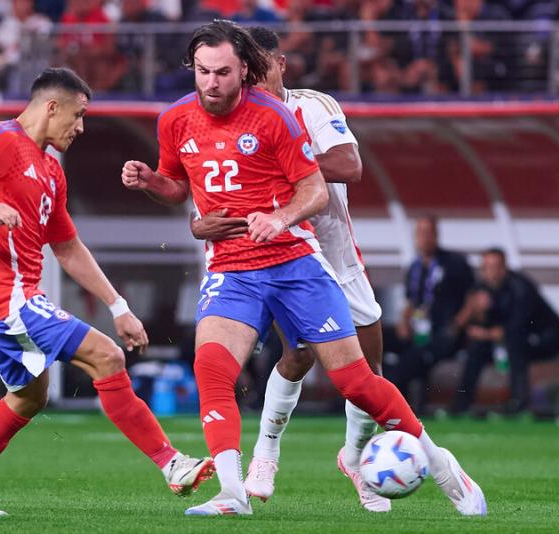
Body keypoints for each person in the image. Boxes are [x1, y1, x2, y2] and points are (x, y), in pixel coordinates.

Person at [122, 20, 485, 517]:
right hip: (233, 268)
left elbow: (315, 188)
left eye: (223, 72)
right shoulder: (176, 119)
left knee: (357, 381)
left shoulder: (277, 116)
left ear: (243, 70)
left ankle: (445, 469)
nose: (212, 83)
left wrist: (280, 216)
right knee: (211, 368)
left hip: (296, 262)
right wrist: (149, 181)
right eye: (203, 72)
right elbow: (175, 184)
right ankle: (233, 492)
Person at [0, 67, 214, 516]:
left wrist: (119, 306)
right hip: (3, 295)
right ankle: (172, 464)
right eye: (79, 114)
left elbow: (69, 248)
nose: (82, 126)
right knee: (107, 357)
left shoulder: (51, 171)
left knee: (29, 397)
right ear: (52, 107)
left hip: (16, 295)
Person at [188, 26, 386, 512]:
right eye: (248, 69)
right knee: (297, 356)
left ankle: (355, 458)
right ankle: (266, 452)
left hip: (339, 257)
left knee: (369, 370)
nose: (256, 76)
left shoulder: (312, 106)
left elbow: (349, 163)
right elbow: (208, 197)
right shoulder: (238, 118)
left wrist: (283, 168)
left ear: (281, 64)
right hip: (285, 259)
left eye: (263, 65)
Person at [450, 248, 559, 415]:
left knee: (515, 345)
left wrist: (485, 334)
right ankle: (461, 404)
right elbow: (461, 326)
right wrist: (473, 309)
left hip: (546, 338)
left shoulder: (520, 287)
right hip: (504, 342)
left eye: (496, 266)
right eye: (487, 267)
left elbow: (514, 329)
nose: (492, 272)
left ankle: (518, 403)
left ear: (505, 267)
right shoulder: (480, 288)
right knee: (477, 348)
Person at [383, 215, 474, 413]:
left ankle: (402, 410)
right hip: (419, 331)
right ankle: (364, 397)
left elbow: (472, 298)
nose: (424, 238)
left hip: (444, 333)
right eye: (420, 233)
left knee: (406, 364)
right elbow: (410, 302)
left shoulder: (455, 263)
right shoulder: (414, 268)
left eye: (428, 233)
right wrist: (404, 322)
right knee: (377, 339)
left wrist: (456, 325)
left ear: (436, 235)